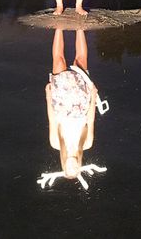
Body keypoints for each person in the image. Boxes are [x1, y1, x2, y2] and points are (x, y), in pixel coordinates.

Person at [45, 28, 96, 180]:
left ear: (64, 165)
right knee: (80, 61)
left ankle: (58, 26)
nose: (72, 166)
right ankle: (80, 27)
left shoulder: (55, 143)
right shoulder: (87, 144)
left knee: (58, 60)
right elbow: (90, 120)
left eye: (69, 169)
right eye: (76, 169)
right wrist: (93, 95)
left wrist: (48, 96)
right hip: (81, 104)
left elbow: (52, 120)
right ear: (79, 165)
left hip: (61, 103)